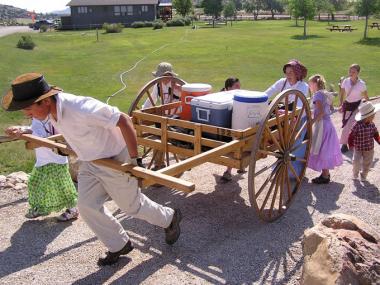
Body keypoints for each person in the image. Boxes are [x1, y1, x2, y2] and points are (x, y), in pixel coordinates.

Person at [2, 73, 182, 266]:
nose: (26, 113)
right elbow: (57, 130)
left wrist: (134, 160)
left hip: (115, 158)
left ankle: (169, 218)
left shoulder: (79, 107)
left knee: (131, 206)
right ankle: (119, 244)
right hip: (91, 160)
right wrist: (24, 131)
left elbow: (124, 120)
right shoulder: (51, 111)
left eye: (28, 108)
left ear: (45, 101)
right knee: (87, 206)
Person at [5, 119, 79, 221]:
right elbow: (34, 129)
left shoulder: (53, 118)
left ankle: (73, 210)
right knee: (34, 183)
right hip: (42, 160)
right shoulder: (37, 118)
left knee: (63, 187)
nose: (27, 112)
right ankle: (41, 208)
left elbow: (55, 137)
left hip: (56, 160)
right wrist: (21, 129)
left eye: (30, 108)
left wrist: (30, 141)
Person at [143, 62, 182, 170]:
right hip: (164, 117)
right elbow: (152, 98)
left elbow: (185, 99)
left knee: (163, 137)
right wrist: (143, 111)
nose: (164, 79)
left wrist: (180, 90)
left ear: (170, 76)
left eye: (166, 77)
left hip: (177, 118)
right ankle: (160, 163)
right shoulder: (157, 85)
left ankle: (182, 158)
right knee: (159, 136)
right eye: (161, 77)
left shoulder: (177, 86)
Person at [307, 75, 343, 184]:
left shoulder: (317, 95)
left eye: (310, 84)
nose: (309, 87)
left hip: (321, 125)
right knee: (325, 149)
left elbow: (321, 112)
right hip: (328, 124)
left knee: (321, 148)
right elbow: (331, 109)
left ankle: (325, 175)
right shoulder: (326, 93)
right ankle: (325, 174)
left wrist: (312, 122)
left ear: (315, 84)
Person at [338, 64, 369, 153]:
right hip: (347, 105)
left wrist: (369, 108)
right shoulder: (345, 81)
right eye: (350, 71)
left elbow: (366, 97)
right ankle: (346, 143)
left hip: (357, 106)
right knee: (345, 124)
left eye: (353, 72)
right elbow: (342, 93)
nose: (351, 73)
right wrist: (340, 104)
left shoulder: (362, 84)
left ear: (358, 73)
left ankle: (345, 144)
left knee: (349, 125)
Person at [220, 77, 245, 182]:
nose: (239, 89)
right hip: (225, 126)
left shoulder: (239, 98)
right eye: (237, 86)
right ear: (228, 88)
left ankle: (228, 171)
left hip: (236, 127)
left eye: (240, 86)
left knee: (234, 144)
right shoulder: (221, 97)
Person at [348, 101, 380, 181]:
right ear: (367, 116)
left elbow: (375, 134)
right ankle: (355, 174)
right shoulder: (357, 125)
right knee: (356, 162)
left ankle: (363, 175)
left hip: (369, 149)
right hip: (358, 148)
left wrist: (379, 141)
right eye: (373, 115)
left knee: (367, 163)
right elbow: (351, 136)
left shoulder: (372, 124)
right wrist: (351, 145)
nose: (374, 116)